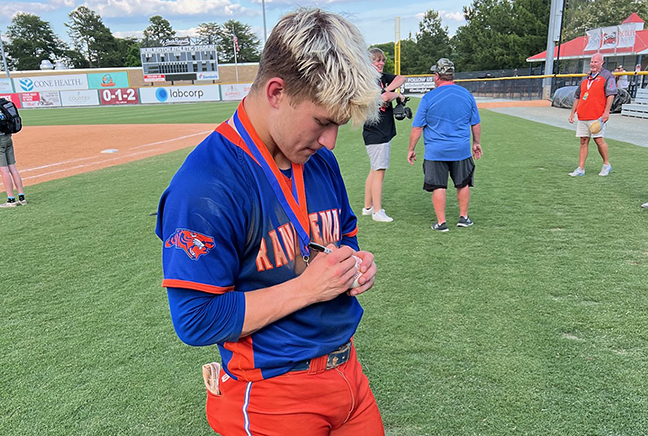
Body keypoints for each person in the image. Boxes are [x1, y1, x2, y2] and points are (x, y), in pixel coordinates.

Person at [155, 8, 385, 436]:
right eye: (322, 122)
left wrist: (352, 263)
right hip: (271, 397)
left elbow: (346, 234)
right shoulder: (205, 185)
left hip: (348, 374)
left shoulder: (320, 161)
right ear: (277, 92)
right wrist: (307, 287)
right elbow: (196, 320)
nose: (330, 141)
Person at [407, 58, 482, 232]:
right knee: (463, 183)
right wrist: (476, 143)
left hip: (435, 151)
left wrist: (411, 149)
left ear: (437, 76)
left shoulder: (428, 98)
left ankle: (441, 223)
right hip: (461, 149)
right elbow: (475, 123)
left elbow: (417, 127)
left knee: (438, 186)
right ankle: (463, 218)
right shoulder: (466, 95)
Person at [361, 48, 406, 223]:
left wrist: (389, 87)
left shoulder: (381, 79)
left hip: (379, 132)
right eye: (376, 61)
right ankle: (377, 211)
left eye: (382, 61)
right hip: (376, 132)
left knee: (374, 169)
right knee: (379, 171)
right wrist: (397, 94)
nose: (380, 64)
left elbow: (401, 78)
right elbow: (385, 97)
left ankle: (368, 207)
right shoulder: (366, 81)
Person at [568, 53, 617, 177]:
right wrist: (572, 113)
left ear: (602, 63)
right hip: (583, 115)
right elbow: (578, 96)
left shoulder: (607, 76)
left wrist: (606, 112)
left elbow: (610, 95)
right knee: (583, 141)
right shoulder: (586, 78)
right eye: (592, 62)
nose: (593, 64)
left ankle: (606, 164)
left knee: (599, 140)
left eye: (596, 62)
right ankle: (581, 168)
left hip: (597, 115)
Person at [0, 131, 27, 208]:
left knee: (4, 170)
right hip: (8, 138)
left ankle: (11, 200)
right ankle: (22, 198)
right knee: (13, 168)